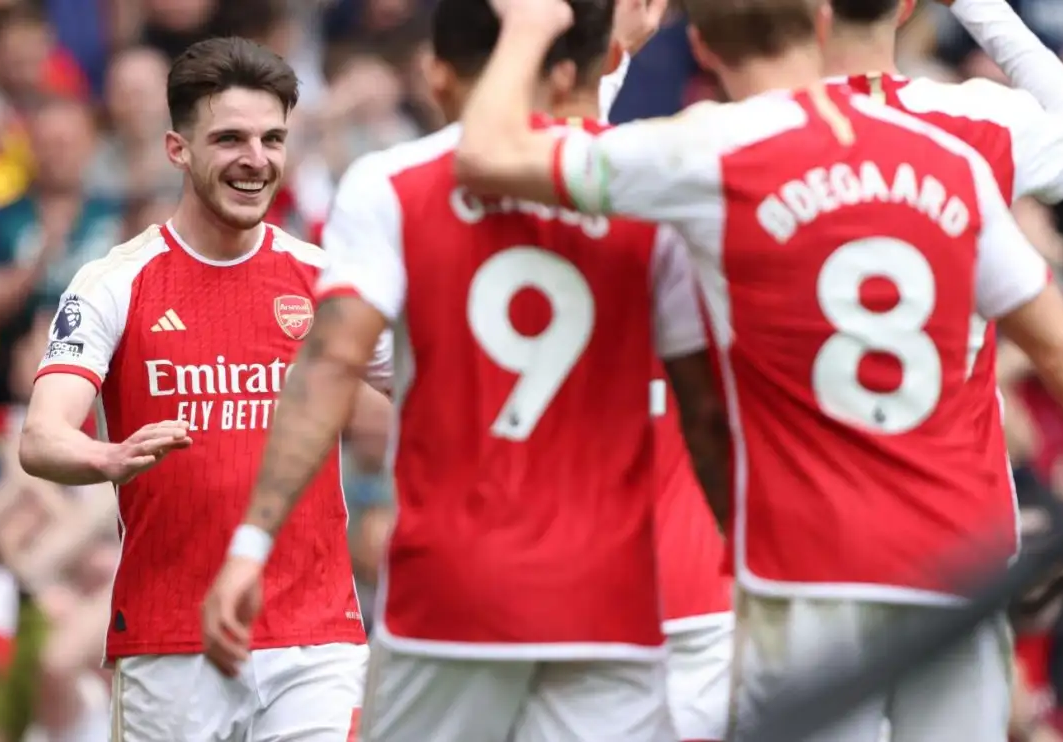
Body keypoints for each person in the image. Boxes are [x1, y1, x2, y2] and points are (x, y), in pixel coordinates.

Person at [449, 0, 1063, 739]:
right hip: (962, 549)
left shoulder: (717, 146)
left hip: (807, 563)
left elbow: (498, 154)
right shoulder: (957, 148)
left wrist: (574, 41)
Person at [200, 0, 729, 740]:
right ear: (568, 69)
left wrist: (250, 544)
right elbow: (704, 411)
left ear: (434, 75)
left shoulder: (390, 183)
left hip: (451, 593)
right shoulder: (643, 191)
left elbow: (329, 365)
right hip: (611, 593)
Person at [17, 37, 387, 741]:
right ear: (177, 149)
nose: (256, 159)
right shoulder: (115, 280)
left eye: (272, 138)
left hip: (314, 640)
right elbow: (42, 435)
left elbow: (442, 386)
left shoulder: (325, 278)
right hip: (169, 642)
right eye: (230, 138)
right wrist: (107, 458)